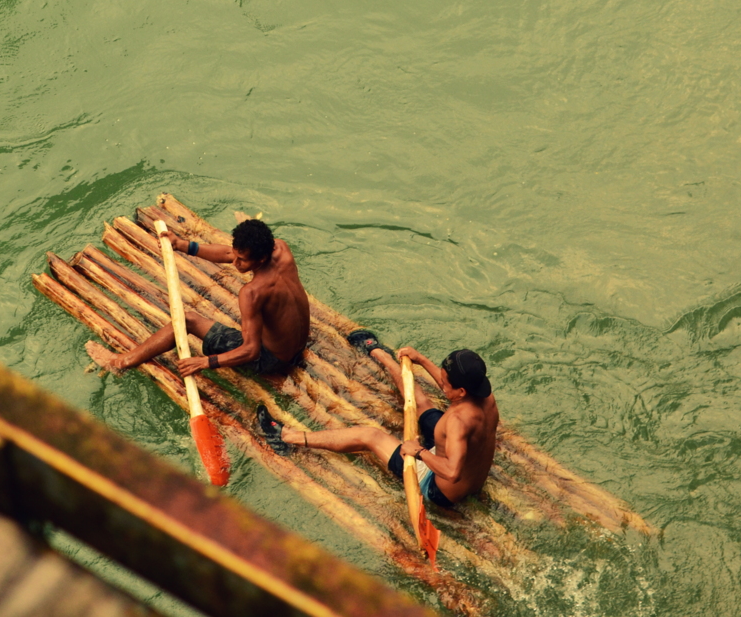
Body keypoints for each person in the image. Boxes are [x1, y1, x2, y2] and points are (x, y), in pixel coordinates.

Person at [258, 334, 497, 510]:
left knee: (370, 436)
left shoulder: (457, 421)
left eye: (445, 383)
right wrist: (421, 360)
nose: (441, 385)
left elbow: (452, 472)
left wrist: (419, 452)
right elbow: (450, 389)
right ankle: (379, 354)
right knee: (422, 402)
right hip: (470, 475)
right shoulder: (486, 399)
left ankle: (287, 438)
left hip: (439, 487)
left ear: (462, 391)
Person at [102, 218, 311, 377]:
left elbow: (251, 351)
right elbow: (228, 254)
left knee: (188, 320)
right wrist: (181, 244)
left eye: (242, 260)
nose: (235, 263)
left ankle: (121, 363)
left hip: (272, 360)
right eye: (236, 255)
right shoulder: (281, 248)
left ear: (262, 258)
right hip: (297, 346)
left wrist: (205, 362)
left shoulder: (252, 292)